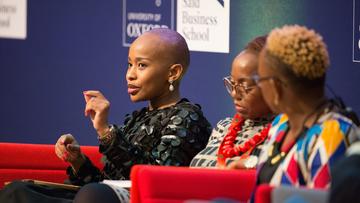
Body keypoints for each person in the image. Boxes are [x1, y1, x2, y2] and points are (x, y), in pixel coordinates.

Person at [0, 28, 212, 203]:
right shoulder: (137, 118)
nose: (130, 74)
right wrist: (78, 161)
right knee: (18, 190)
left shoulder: (188, 118)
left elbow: (153, 180)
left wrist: (105, 131)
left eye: (142, 65)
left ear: (173, 73)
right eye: (130, 64)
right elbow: (106, 184)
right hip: (99, 198)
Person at [254, 25, 359, 189]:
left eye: (260, 79)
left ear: (276, 87)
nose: (259, 86)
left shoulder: (332, 135)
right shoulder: (280, 124)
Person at [190, 36, 273, 169]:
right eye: (232, 83)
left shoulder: (281, 134)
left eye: (244, 86)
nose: (235, 94)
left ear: (272, 85)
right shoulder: (224, 126)